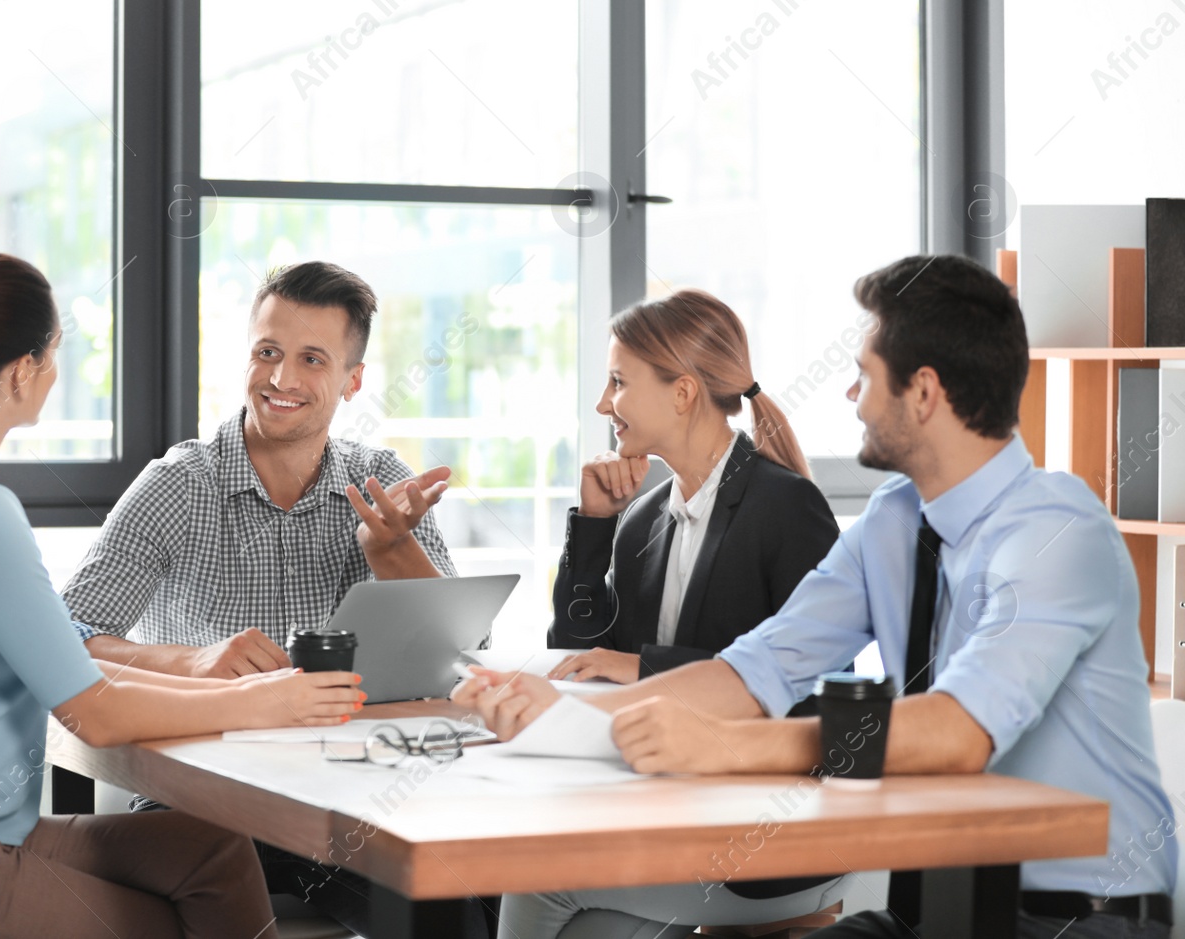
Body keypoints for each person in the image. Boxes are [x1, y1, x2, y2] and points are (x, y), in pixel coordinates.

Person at [456, 254, 1176, 939]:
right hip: (930, 909)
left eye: (864, 377)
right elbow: (753, 671)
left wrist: (729, 747)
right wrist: (561, 719)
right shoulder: (892, 521)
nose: (850, 396)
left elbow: (958, 732)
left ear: (923, 392)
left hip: (1079, 917)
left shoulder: (1057, 531)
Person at [0, 253, 363, 939]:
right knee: (176, 920)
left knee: (215, 850)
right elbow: (93, 715)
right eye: (52, 356)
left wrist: (248, 688)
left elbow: (76, 668)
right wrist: (259, 701)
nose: (53, 373)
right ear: (21, 372)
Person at [61, 260, 470, 937]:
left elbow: (456, 657)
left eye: (312, 359)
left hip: (347, 797)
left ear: (352, 380)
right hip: (201, 803)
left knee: (453, 903)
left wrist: (392, 553)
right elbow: (68, 634)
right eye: (267, 352)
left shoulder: (383, 484)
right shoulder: (178, 485)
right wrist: (189, 662)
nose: (281, 379)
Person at [547, 289, 840, 688]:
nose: (603, 404)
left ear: (682, 393)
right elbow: (579, 657)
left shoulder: (787, 508)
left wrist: (644, 668)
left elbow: (817, 674)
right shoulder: (641, 520)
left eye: (618, 381)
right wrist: (594, 521)